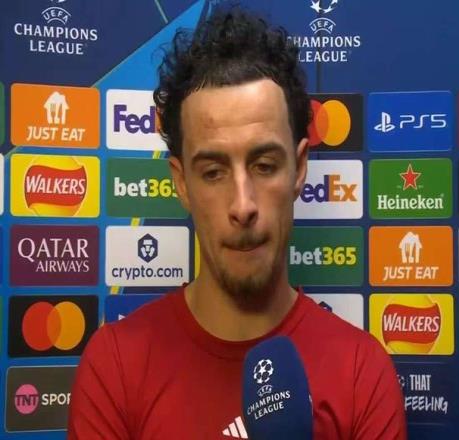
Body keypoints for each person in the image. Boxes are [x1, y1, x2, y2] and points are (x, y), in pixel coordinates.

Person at [68, 7, 406, 439]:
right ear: (182, 183)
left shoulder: (362, 374)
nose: (243, 205)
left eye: (264, 166)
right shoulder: (114, 367)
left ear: (300, 168)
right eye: (213, 172)